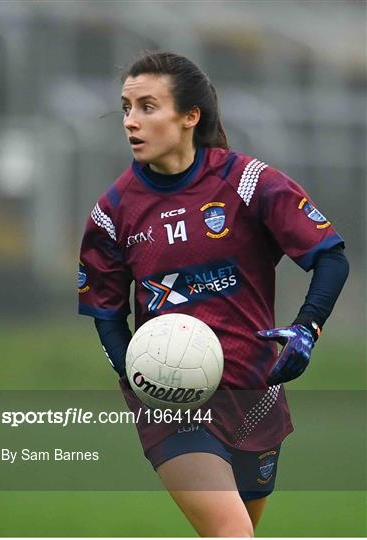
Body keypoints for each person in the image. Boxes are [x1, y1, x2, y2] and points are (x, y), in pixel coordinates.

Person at [78, 51, 349, 537]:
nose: (131, 122)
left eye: (147, 107)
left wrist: (306, 329)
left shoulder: (247, 182)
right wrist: (139, 376)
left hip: (255, 394)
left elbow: (330, 256)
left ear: (189, 117)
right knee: (232, 534)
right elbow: (106, 313)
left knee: (237, 531)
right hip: (172, 406)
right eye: (126, 108)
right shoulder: (113, 212)